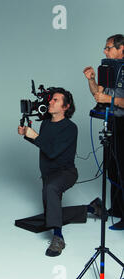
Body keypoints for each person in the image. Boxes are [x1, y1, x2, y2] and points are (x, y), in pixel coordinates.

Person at [18, 88, 100, 257]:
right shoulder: (46, 123)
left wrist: (34, 136)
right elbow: (44, 145)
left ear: (65, 106)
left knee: (51, 191)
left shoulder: (70, 128)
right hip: (48, 174)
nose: (50, 102)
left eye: (55, 100)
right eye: (51, 99)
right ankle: (91, 208)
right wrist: (27, 135)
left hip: (66, 173)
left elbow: (53, 152)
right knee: (51, 214)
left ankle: (58, 238)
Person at [83, 34, 124, 230]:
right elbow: (99, 95)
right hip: (114, 121)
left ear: (121, 48)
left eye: (108, 48)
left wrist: (111, 101)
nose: (105, 51)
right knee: (113, 167)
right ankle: (117, 209)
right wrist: (91, 80)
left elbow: (109, 99)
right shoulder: (109, 68)